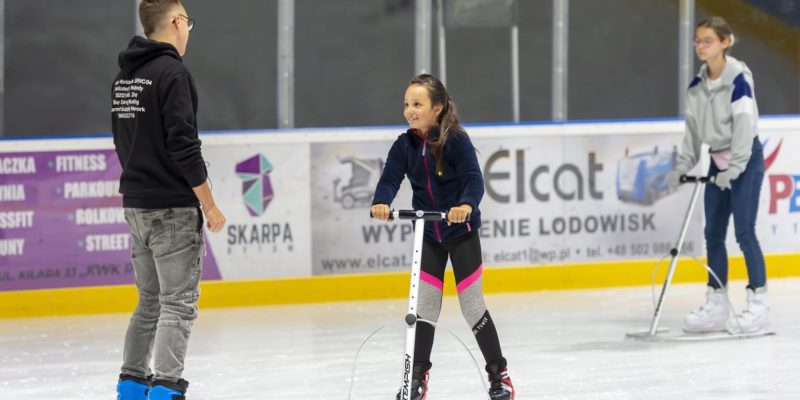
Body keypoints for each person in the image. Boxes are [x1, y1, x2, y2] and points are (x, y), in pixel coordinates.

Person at [371, 74, 515, 400]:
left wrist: (465, 204)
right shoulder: (404, 145)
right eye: (407, 104)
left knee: (472, 306)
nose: (410, 110)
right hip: (429, 236)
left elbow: (473, 180)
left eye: (418, 104)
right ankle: (417, 379)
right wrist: (382, 201)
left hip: (460, 233)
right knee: (423, 307)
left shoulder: (456, 141)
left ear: (437, 108)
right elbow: (391, 178)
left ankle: (499, 375)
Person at [112, 1, 226, 399]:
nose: (188, 30)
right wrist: (209, 205)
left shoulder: (126, 77)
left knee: (149, 303)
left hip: (137, 205)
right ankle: (163, 391)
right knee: (177, 306)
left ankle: (130, 387)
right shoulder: (172, 73)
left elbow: (122, 142)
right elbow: (184, 146)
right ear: (177, 21)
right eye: (188, 21)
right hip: (171, 210)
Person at [667, 16, 771, 335]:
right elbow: (693, 134)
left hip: (745, 160)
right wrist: (682, 166)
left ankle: (758, 303)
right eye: (697, 40)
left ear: (725, 43)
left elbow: (744, 127)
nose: (700, 46)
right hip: (716, 162)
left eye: (707, 40)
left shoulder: (739, 80)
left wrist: (736, 168)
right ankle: (716, 300)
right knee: (713, 232)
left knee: (744, 232)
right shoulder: (697, 88)